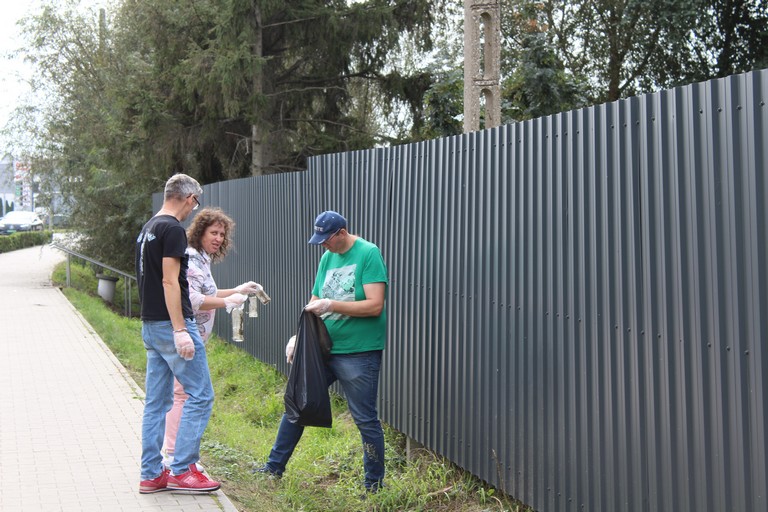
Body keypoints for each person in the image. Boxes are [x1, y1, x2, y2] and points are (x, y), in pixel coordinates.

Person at [254, 210, 389, 493]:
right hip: (323, 347)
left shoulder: (368, 254)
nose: (323, 245)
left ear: (342, 233)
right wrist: (299, 336)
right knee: (298, 403)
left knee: (365, 419)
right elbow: (316, 299)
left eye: (327, 239)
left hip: (359, 352)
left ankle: (374, 486)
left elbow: (375, 305)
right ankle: (273, 469)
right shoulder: (328, 257)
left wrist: (332, 305)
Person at [135, 173, 220, 493]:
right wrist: (180, 329)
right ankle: (183, 469)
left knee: (156, 403)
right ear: (188, 198)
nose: (192, 210)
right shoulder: (171, 229)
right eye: (194, 203)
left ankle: (151, 474)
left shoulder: (148, 228)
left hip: (150, 325)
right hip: (172, 325)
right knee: (201, 394)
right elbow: (169, 281)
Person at [163, 207, 267, 465]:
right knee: (183, 395)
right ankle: (175, 456)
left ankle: (176, 455)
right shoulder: (191, 258)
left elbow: (208, 292)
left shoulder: (203, 258)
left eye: (222, 234)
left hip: (196, 337)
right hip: (187, 337)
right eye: (214, 233)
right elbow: (191, 299)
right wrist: (227, 302)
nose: (219, 238)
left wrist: (237, 290)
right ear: (200, 232)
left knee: (183, 393)